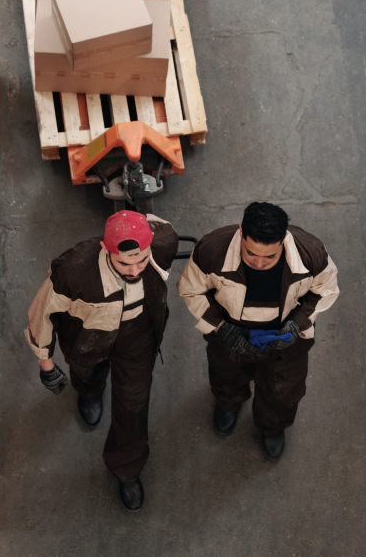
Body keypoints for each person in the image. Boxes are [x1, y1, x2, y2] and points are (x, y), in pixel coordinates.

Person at [25, 209, 179, 513]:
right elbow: (41, 314)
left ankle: (127, 468)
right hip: (88, 341)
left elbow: (160, 224)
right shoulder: (72, 272)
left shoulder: (163, 243)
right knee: (87, 375)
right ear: (106, 250)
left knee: (134, 405)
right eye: (124, 262)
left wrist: (134, 216)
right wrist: (46, 363)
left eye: (142, 260)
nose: (135, 270)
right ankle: (90, 391)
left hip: (138, 337)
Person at [178, 200, 338, 460]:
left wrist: (297, 323)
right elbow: (190, 289)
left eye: (269, 256)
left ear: (284, 239)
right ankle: (229, 403)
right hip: (228, 335)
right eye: (251, 253)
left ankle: (272, 426)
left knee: (284, 389)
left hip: (288, 340)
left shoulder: (311, 253)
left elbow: (326, 290)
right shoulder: (211, 250)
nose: (259, 263)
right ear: (241, 232)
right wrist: (220, 327)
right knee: (226, 376)